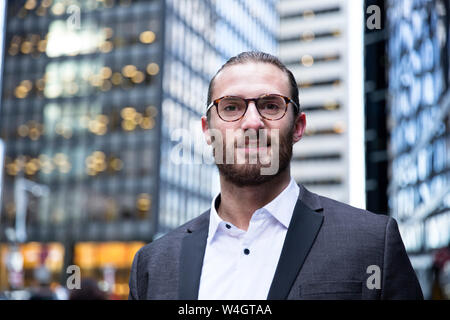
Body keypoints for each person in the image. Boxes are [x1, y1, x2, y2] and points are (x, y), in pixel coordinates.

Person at [129, 51, 423, 300]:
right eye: (231, 107)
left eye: (271, 106)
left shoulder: (373, 242)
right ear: (207, 130)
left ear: (298, 127)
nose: (253, 123)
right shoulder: (153, 264)